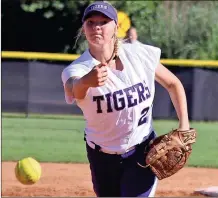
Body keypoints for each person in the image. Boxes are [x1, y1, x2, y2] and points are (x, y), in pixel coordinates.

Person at [61, 1, 190, 197]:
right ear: (83, 28)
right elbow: (74, 89)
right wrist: (87, 81)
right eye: (90, 22)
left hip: (142, 152)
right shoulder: (78, 68)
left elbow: (174, 84)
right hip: (101, 158)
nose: (96, 27)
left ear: (116, 26)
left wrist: (184, 127)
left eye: (103, 21)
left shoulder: (137, 54)